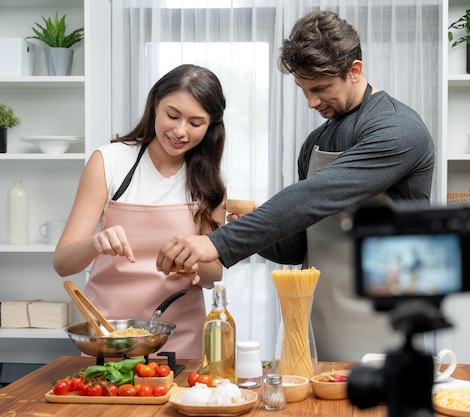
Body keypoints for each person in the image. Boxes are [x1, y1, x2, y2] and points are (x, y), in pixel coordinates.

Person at [157, 11, 435, 361]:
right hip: (320, 318)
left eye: (320, 88)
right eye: (304, 90)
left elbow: (313, 198)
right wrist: (241, 223)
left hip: (386, 317)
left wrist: (216, 242)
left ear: (355, 70)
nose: (311, 102)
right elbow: (297, 245)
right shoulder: (315, 141)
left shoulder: (398, 130)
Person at [54, 64, 227, 358]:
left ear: (210, 126)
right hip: (108, 334)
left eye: (196, 123)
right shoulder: (109, 162)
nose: (180, 131)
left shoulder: (209, 183)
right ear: (155, 105)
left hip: (181, 337)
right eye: (172, 116)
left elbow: (213, 275)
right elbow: (63, 263)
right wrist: (95, 243)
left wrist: (195, 258)